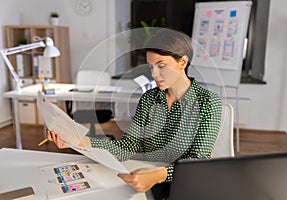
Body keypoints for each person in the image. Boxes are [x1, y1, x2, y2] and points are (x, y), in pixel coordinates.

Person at [47, 28, 222, 199]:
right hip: (147, 178)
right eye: (151, 66)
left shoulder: (208, 103)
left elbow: (196, 162)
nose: (154, 74)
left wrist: (158, 175)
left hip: (187, 185)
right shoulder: (149, 99)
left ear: (182, 62)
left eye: (161, 66)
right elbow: (128, 147)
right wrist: (79, 141)